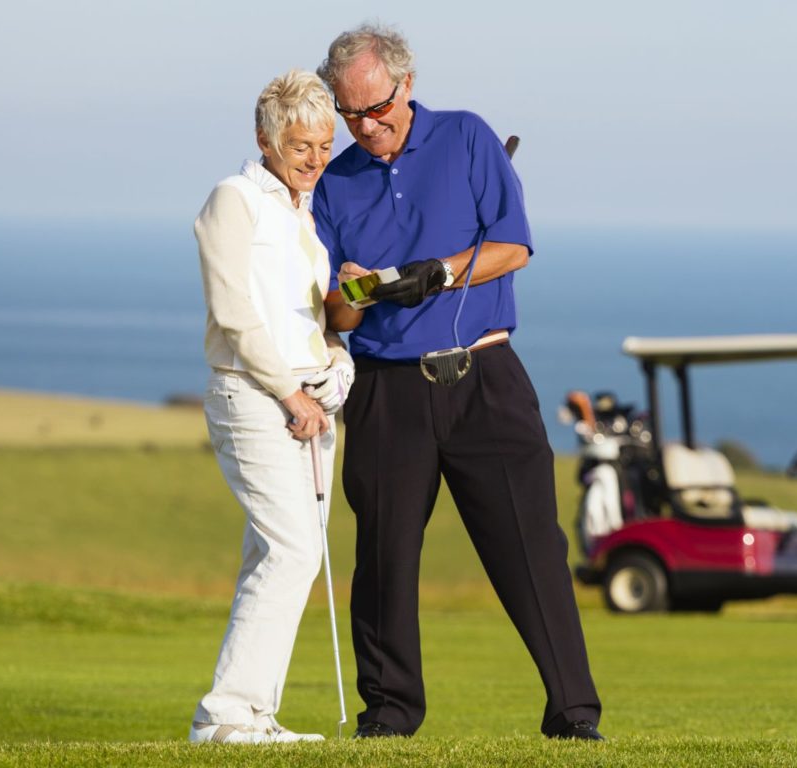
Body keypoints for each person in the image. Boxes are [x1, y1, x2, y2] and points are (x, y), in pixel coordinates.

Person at [314, 24, 603, 741]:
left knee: (531, 548)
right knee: (383, 558)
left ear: (405, 85)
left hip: (485, 379)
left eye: (375, 107)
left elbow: (513, 246)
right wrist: (351, 291)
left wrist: (436, 273)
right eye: (349, 114)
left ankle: (573, 714)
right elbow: (336, 313)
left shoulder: (469, 139)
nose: (365, 125)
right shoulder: (334, 184)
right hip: (386, 392)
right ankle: (388, 716)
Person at [189, 69, 354, 744]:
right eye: (300, 145)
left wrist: (338, 367)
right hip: (254, 396)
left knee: (277, 553)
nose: (315, 158)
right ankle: (226, 714)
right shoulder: (234, 200)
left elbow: (319, 319)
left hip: (312, 402)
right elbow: (233, 311)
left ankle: (252, 715)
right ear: (265, 137)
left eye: (324, 144)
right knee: (292, 551)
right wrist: (289, 391)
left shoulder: (306, 212)